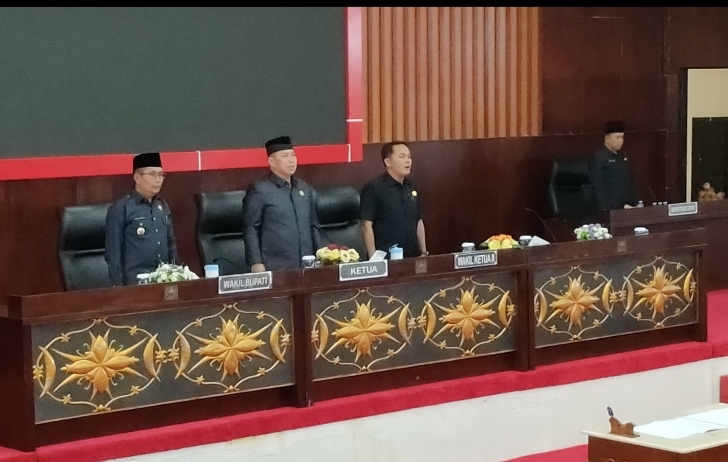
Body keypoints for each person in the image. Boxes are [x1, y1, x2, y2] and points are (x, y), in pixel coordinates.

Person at [242, 136, 324, 272]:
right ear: (272, 161)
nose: (291, 160)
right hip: (276, 266)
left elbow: (313, 226)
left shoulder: (304, 188)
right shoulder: (260, 190)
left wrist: (322, 256)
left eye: (293, 155)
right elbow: (250, 228)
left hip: (307, 265)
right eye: (285, 156)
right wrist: (255, 262)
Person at [105, 152, 178, 286]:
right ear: (137, 177)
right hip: (136, 283)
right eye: (152, 174)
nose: (158, 179)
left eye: (161, 175)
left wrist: (177, 276)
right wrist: (119, 289)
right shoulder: (121, 208)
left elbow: (171, 245)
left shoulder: (162, 206)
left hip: (164, 280)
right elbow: (114, 255)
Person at [360, 141, 427, 259]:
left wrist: (423, 251)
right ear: (388, 162)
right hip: (385, 258)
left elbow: (418, 220)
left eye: (409, 157)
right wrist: (373, 258)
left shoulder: (412, 186)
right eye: (402, 156)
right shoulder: (374, 187)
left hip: (412, 257)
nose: (408, 161)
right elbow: (366, 225)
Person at [589, 120, 637, 211]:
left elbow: (629, 182)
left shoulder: (623, 156)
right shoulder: (599, 158)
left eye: (622, 137)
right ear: (607, 138)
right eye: (617, 137)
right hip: (611, 210)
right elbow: (598, 187)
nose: (621, 141)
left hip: (628, 208)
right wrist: (606, 208)